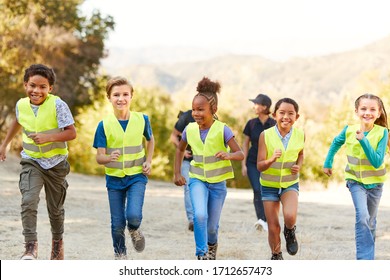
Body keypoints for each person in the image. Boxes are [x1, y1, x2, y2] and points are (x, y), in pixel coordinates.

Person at [0, 64, 77, 260]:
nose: (37, 91)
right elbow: (18, 120)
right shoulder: (21, 105)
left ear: (50, 88)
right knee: (28, 200)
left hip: (56, 164)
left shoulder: (58, 105)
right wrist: (5, 144)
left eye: (43, 87)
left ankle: (57, 245)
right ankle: (30, 247)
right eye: (32, 85)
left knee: (55, 210)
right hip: (31, 161)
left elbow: (71, 132)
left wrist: (48, 137)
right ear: (26, 85)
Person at [174, 77, 244, 260]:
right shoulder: (189, 129)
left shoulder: (223, 130)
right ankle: (201, 254)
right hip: (197, 179)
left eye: (200, 109)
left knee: (212, 227)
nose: (195, 113)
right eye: (194, 109)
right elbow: (180, 149)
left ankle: (212, 246)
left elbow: (240, 154)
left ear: (213, 110)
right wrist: (176, 173)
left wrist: (228, 155)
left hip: (218, 185)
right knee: (199, 216)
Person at [93, 76, 155, 260]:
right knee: (117, 223)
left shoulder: (142, 119)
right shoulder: (103, 125)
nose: (121, 98)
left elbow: (150, 140)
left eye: (125, 94)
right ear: (109, 98)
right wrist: (107, 157)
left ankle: (135, 229)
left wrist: (149, 161)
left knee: (133, 216)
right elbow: (99, 157)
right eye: (116, 95)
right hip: (114, 179)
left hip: (137, 176)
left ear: (131, 96)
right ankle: (120, 256)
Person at [323, 93, 388, 260]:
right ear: (356, 111)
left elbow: (376, 161)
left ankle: (369, 258)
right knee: (363, 217)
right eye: (363, 108)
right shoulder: (349, 130)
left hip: (375, 184)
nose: (368, 112)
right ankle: (364, 261)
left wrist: (363, 140)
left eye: (372, 109)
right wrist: (328, 162)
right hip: (355, 182)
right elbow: (336, 142)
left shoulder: (383, 132)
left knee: (370, 222)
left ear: (379, 113)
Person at [257, 97, 304, 260]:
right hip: (269, 185)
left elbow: (301, 154)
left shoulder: (300, 135)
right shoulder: (265, 135)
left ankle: (290, 231)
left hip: (289, 183)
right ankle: (276, 255)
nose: (286, 117)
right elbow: (259, 165)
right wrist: (271, 160)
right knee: (273, 226)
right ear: (275, 115)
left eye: (291, 113)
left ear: (296, 117)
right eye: (282, 112)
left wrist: (299, 165)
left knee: (290, 216)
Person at [242, 94, 276, 232]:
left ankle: (268, 219)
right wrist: (243, 164)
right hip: (252, 162)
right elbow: (245, 144)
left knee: (267, 191)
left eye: (256, 104)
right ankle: (262, 220)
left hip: (269, 163)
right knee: (257, 190)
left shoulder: (274, 124)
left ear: (264, 107)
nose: (254, 106)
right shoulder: (251, 123)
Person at [170, 109, 195, 231]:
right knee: (188, 187)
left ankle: (201, 217)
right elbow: (173, 136)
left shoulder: (212, 117)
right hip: (187, 160)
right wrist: (182, 150)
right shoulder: (186, 117)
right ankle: (192, 220)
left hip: (203, 161)